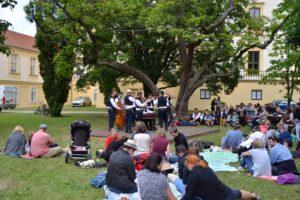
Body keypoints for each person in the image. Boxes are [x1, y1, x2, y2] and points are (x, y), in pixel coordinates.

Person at [182, 154, 261, 200]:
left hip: (214, 197)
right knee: (237, 193)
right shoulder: (206, 167)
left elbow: (188, 195)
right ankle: (253, 195)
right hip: (224, 191)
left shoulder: (193, 174)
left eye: (187, 165)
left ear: (190, 163)